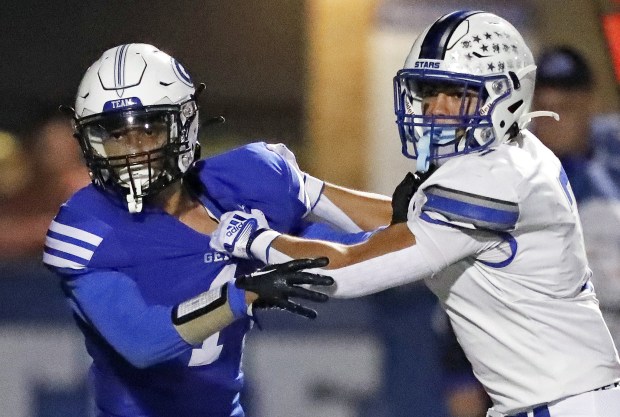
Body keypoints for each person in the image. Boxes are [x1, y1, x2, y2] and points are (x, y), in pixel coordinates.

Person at [211, 10, 620, 417]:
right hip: (561, 399)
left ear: (504, 94)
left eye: (457, 92)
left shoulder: (492, 178)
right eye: (429, 89)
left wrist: (250, 238)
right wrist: (308, 191)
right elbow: (408, 220)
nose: (437, 108)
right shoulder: (509, 156)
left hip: (565, 405)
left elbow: (345, 270)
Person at [42, 43, 393, 417]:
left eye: (147, 129)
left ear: (184, 123)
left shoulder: (245, 181)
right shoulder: (87, 222)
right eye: (116, 135)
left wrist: (432, 234)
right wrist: (243, 294)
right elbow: (141, 341)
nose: (133, 149)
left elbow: (346, 249)